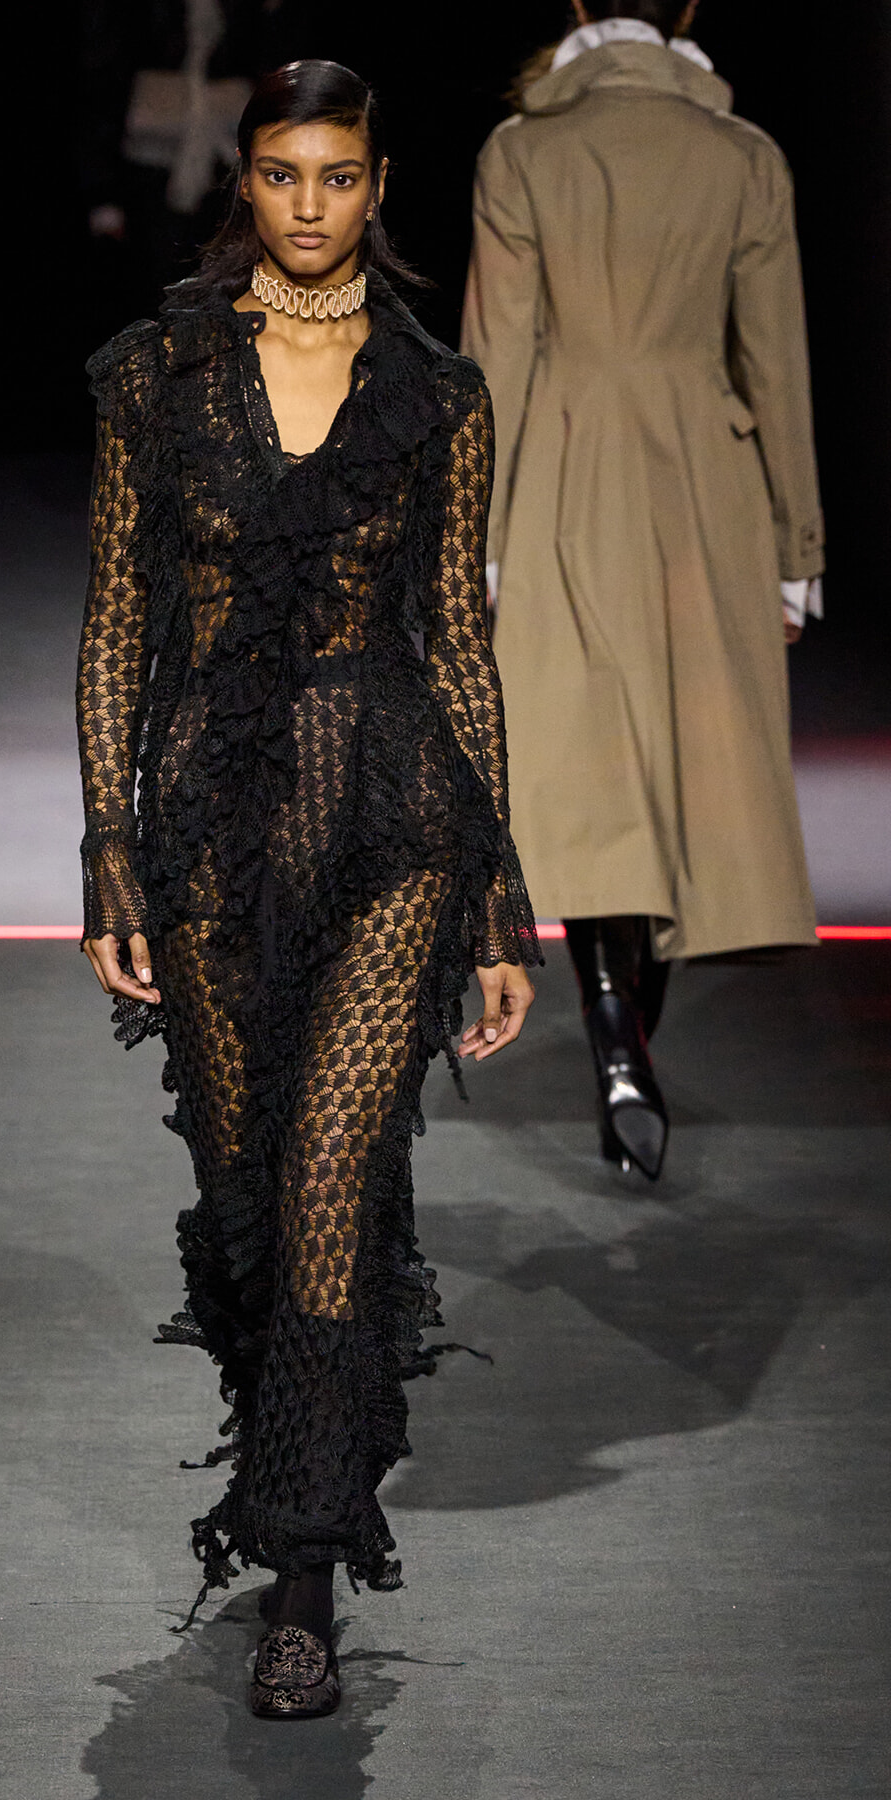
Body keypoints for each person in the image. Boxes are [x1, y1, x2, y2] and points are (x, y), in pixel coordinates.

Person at [78, 59, 539, 1719]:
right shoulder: (158, 378)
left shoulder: (438, 394)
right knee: (249, 1189)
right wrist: (109, 849)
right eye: (282, 174)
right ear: (249, 184)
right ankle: (299, 1481)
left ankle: (301, 1580)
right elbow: (120, 624)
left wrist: (502, 900)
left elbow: (463, 648)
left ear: (379, 186)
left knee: (336, 1168)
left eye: (339, 177)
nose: (310, 205)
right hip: (207, 818)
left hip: (391, 812)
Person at [460, 0, 825, 1181]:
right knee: (672, 764)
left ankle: (616, 1035)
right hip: (706, 480)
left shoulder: (524, 151)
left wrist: (479, 534)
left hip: (565, 467)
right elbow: (775, 357)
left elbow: (498, 355)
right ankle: (628, 1041)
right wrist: (795, 544)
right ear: (690, 17)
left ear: (572, 16)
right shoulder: (745, 154)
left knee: (593, 765)